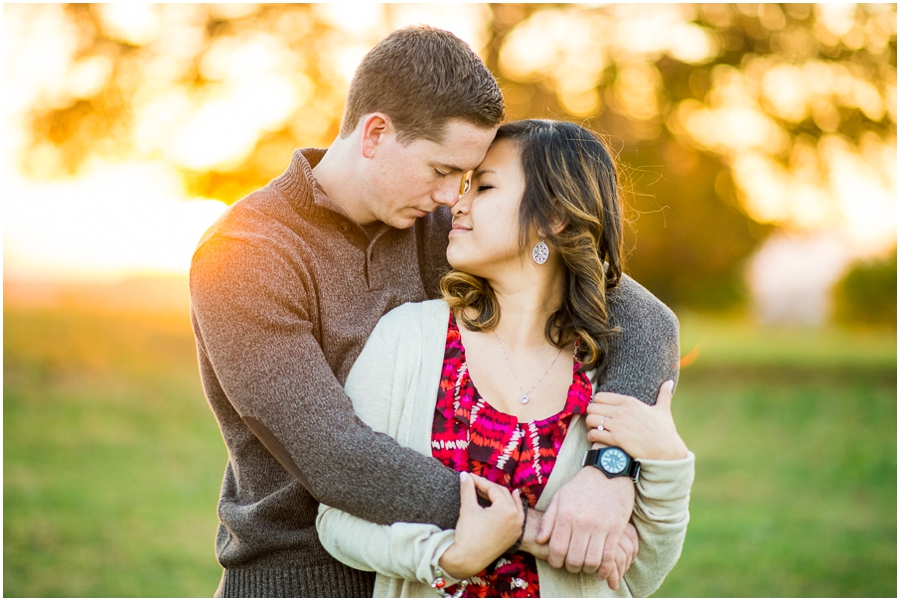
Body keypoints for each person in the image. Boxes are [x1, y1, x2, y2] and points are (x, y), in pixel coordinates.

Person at [190, 26, 680, 598]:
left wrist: (609, 471)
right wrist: (534, 525)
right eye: (443, 170)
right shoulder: (245, 255)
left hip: (425, 581)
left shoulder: (438, 230)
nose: (454, 197)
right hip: (300, 578)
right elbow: (333, 455)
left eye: (469, 179)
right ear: (375, 133)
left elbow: (646, 320)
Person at [317, 120, 694, 598]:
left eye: (485, 186)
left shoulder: (609, 368)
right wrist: (445, 557)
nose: (457, 202)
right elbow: (338, 517)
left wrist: (668, 462)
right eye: (464, 186)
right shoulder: (408, 337)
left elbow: (633, 576)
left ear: (554, 217)